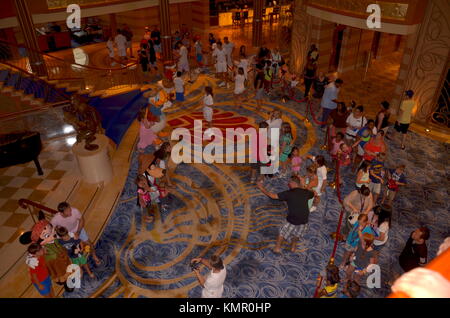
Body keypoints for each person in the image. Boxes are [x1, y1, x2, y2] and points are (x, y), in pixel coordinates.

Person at [257, 176, 315, 253]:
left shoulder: (289, 193)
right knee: (297, 234)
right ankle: (293, 247)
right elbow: (313, 193)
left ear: (293, 183)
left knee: (282, 232)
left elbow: (272, 196)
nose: (288, 183)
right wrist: (304, 185)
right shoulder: (305, 192)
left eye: (289, 182)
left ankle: (277, 248)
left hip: (293, 219)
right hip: (305, 220)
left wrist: (261, 188)